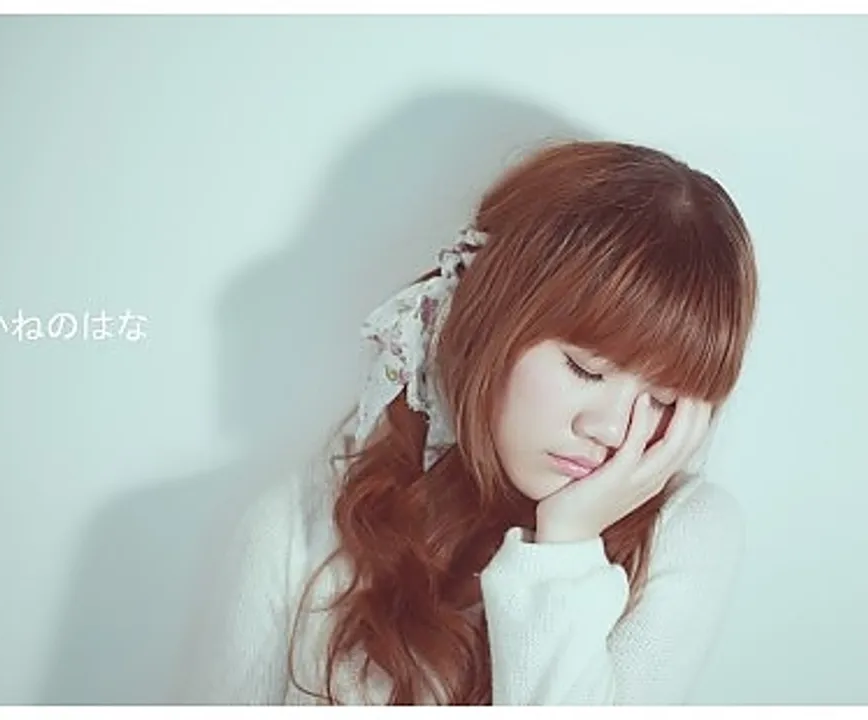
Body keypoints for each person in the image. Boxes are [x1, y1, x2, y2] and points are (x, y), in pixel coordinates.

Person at [211, 139, 758, 705]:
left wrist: (564, 548)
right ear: (487, 320)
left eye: (663, 398)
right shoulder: (301, 532)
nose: (612, 429)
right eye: (586, 370)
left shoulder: (684, 533)